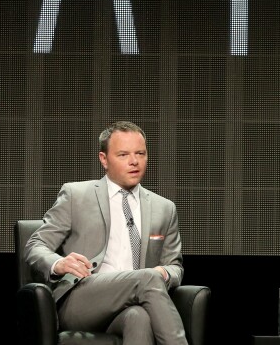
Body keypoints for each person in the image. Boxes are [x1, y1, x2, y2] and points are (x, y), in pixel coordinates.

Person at [24, 120, 188, 345]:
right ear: (104, 159)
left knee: (138, 318)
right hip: (82, 299)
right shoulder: (76, 195)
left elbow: (175, 266)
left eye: (140, 153)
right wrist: (58, 264)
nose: (134, 161)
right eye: (123, 155)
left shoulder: (164, 208)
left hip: (134, 302)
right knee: (148, 278)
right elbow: (36, 245)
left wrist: (166, 273)